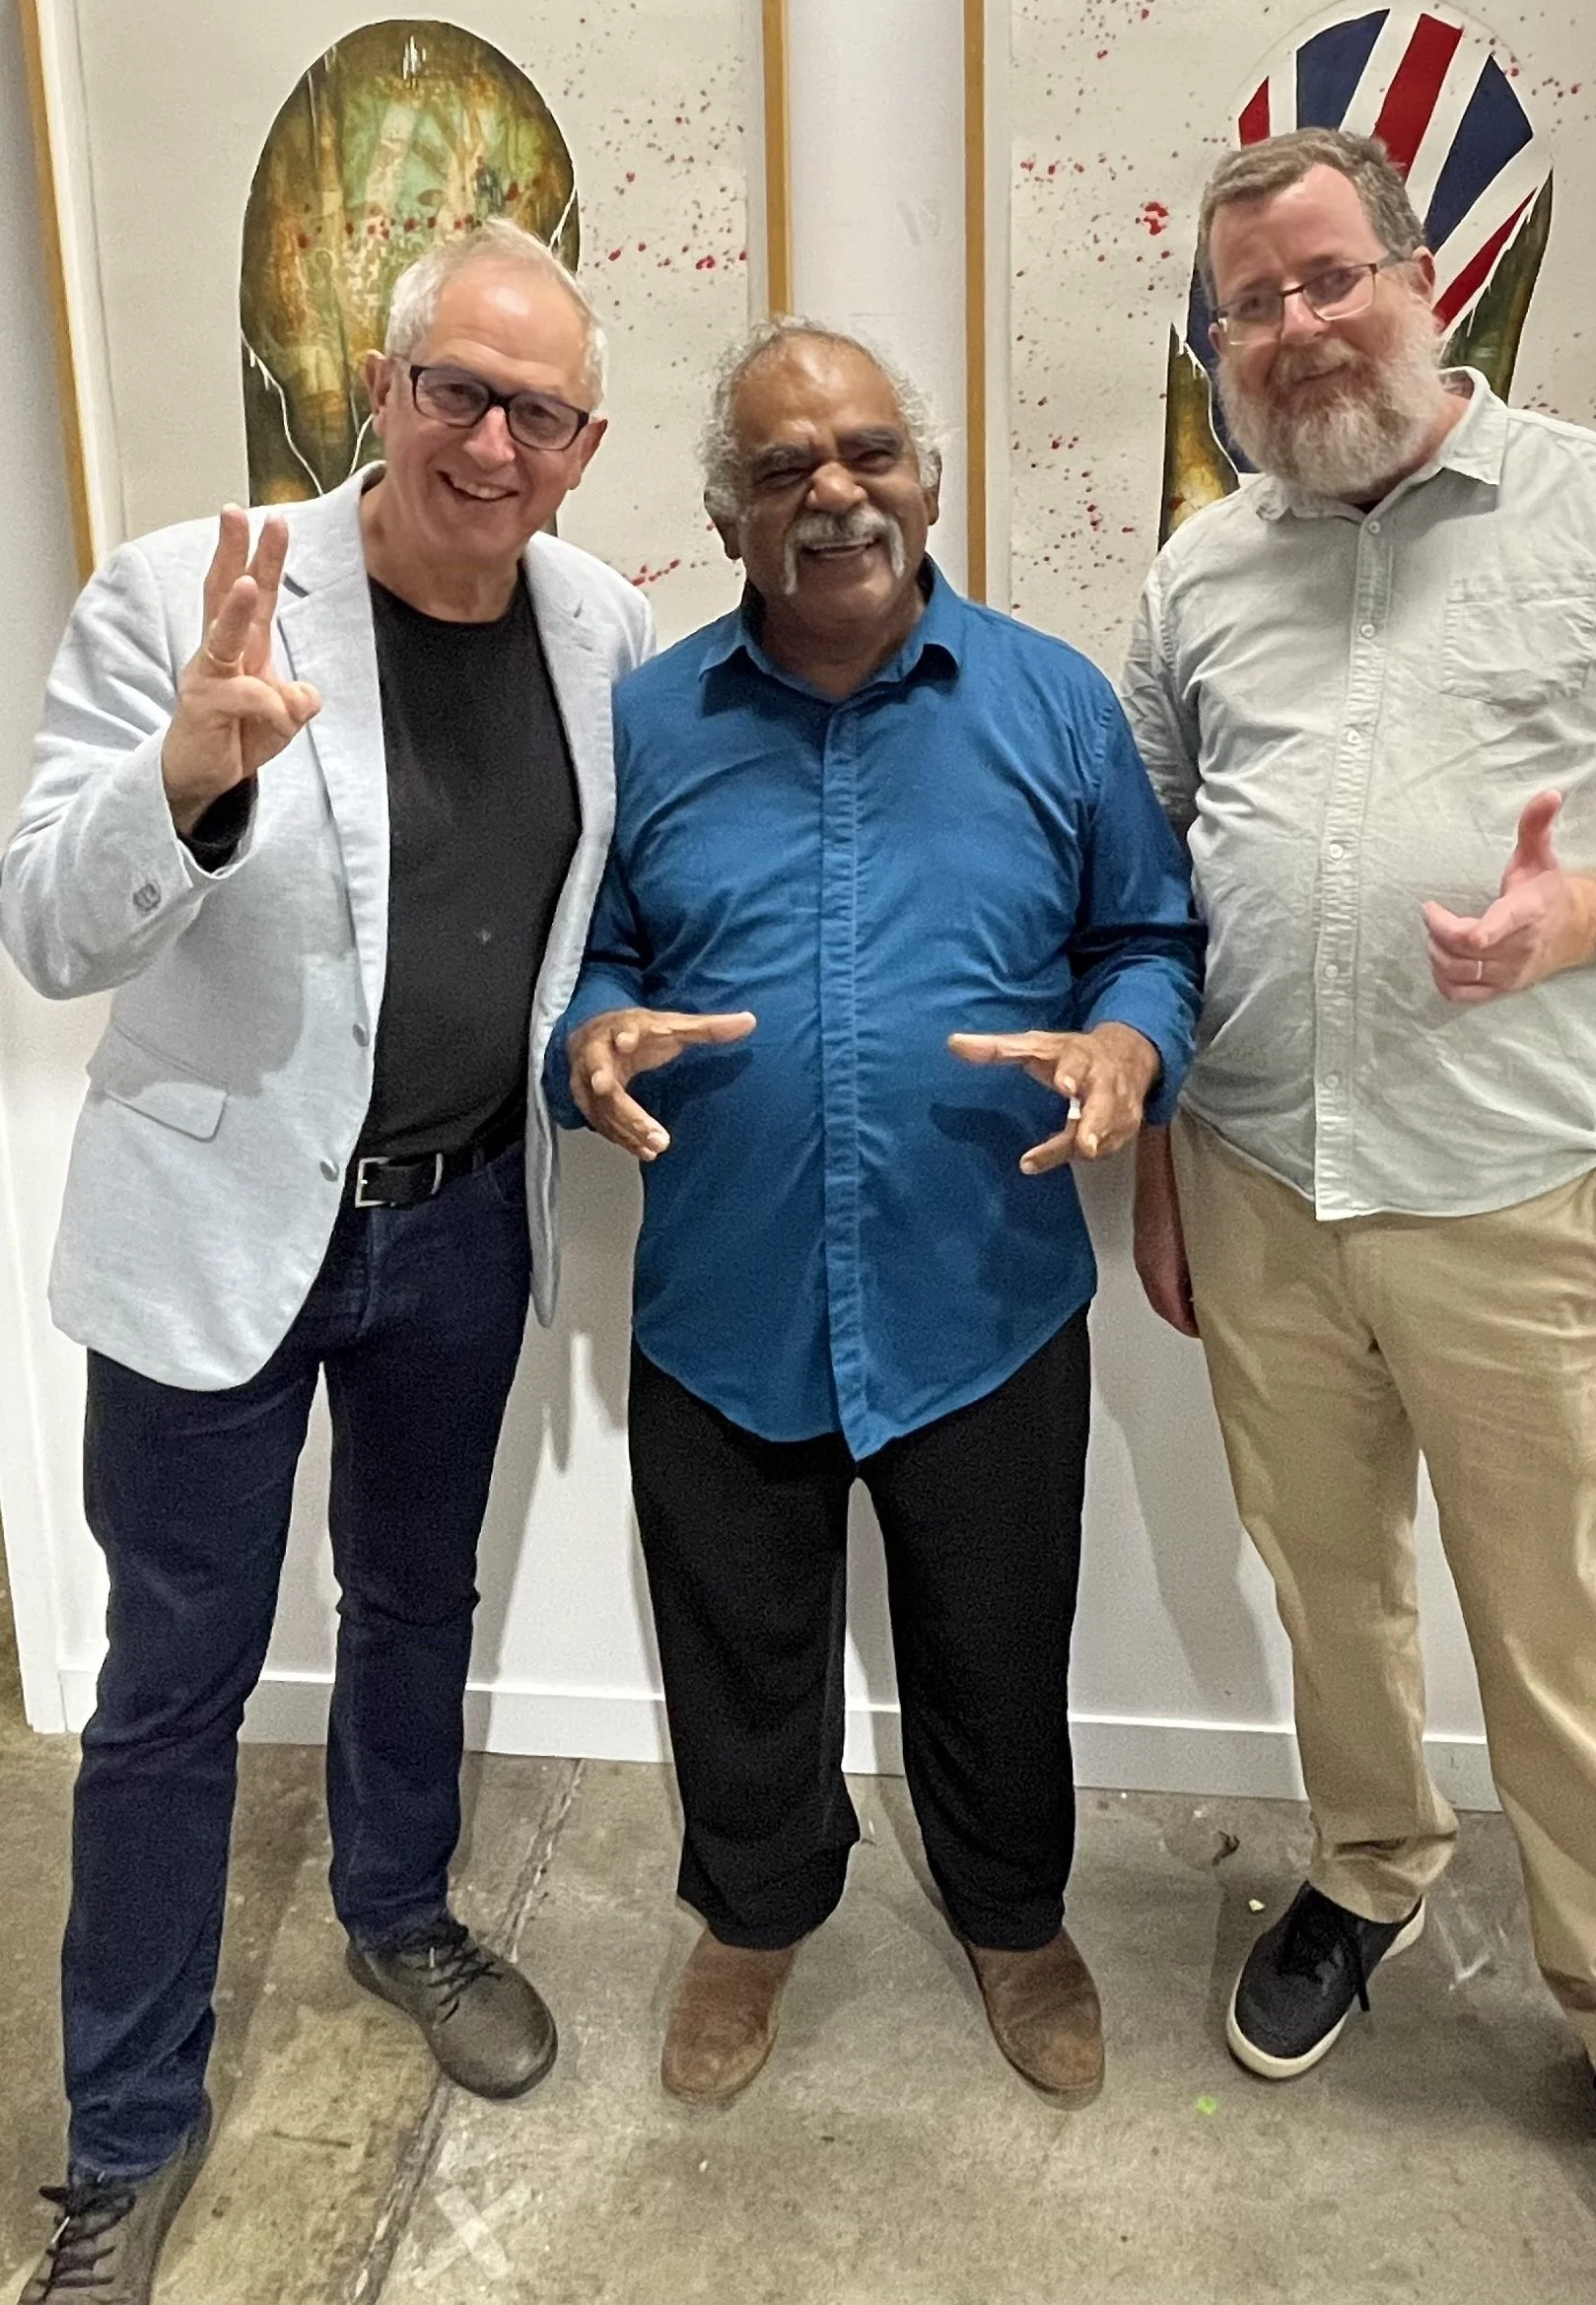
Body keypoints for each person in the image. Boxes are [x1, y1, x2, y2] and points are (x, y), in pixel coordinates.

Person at [1122, 123, 1596, 2305]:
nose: (1296, 326)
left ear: (1429, 277)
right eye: (1250, 305)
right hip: (1257, 1184)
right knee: (1330, 1597)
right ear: (1218, 348)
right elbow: (1147, 891)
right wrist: (1159, 1166)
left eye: (1329, 278)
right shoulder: (1199, 573)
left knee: (1555, 1635)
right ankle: (1367, 1867)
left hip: (1512, 1197)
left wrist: (1585, 916)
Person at [3, 219, 651, 2305]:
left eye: (537, 412)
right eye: (455, 389)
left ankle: (399, 1910)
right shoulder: (188, 591)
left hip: (458, 1217)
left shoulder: (603, 626)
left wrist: (601, 1035)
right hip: (214, 1231)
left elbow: (575, 919)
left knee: (413, 1599)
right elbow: (48, 927)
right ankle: (125, 2130)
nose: (490, 441)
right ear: (379, 390)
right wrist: (185, 778)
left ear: (584, 446)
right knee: (168, 1688)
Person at [544, 317, 1199, 2113]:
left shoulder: (1052, 702)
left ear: (928, 483)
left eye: (868, 453)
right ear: (728, 521)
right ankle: (753, 1914)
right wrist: (589, 1037)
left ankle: (1015, 1916)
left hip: (980, 1291)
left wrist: (1131, 1048)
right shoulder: (645, 726)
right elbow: (591, 958)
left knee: (997, 1637)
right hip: (726, 1293)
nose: (834, 490)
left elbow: (1149, 938)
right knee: (736, 1645)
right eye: (783, 469)